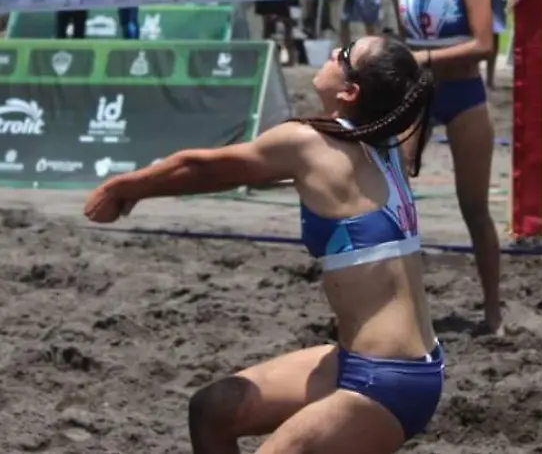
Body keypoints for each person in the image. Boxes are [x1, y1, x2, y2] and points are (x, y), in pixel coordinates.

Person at [85, 33, 445, 453]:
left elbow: (200, 168)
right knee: (213, 410)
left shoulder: (310, 143)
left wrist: (124, 188)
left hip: (387, 382)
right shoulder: (383, 141)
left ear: (350, 91)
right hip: (368, 362)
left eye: (343, 54)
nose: (331, 51)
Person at [390, 0, 504, 335]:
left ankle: (493, 312)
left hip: (463, 96)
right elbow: (406, 51)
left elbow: (483, 46)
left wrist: (423, 58)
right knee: (393, 202)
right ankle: (399, 307)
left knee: (474, 207)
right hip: (418, 97)